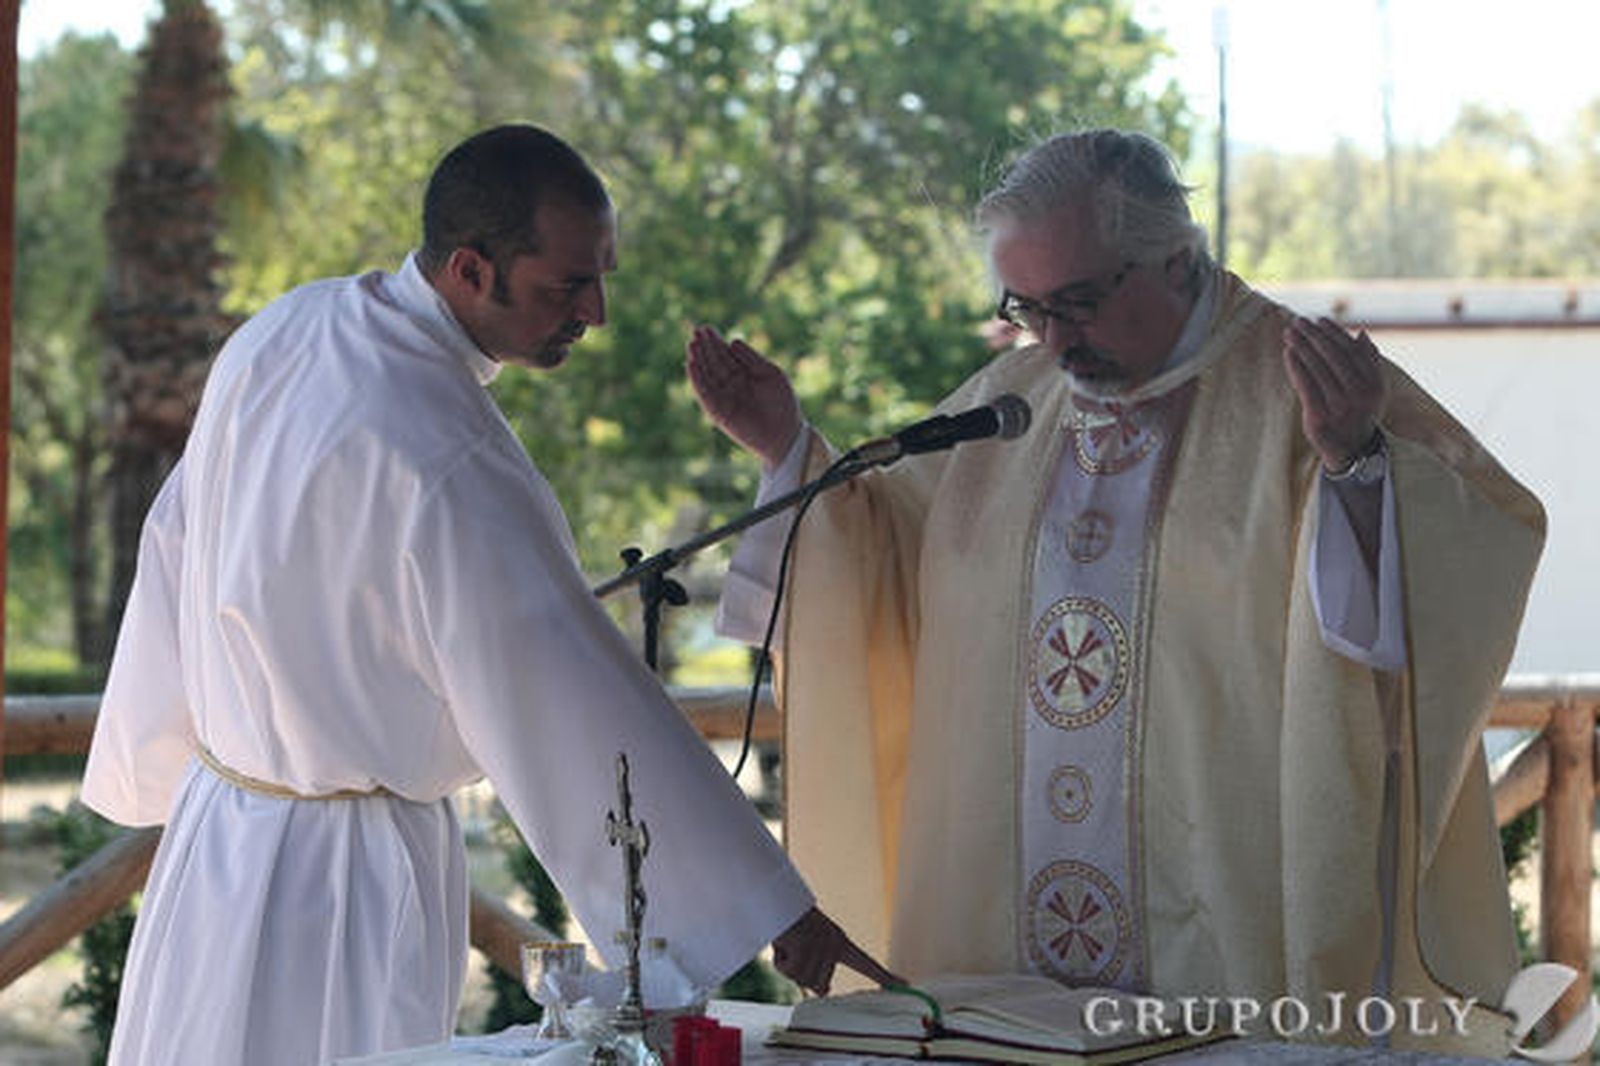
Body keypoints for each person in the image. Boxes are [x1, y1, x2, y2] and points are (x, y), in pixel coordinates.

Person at [687, 128, 1544, 1055]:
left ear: (1175, 260)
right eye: (1026, 307)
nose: (1053, 338)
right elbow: (885, 550)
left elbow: (1484, 538)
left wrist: (1359, 468)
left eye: (1078, 302)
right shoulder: (1011, 398)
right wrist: (789, 453)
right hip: (1005, 952)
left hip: (1227, 928)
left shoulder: (1302, 385)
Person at [82, 124, 886, 1066]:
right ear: (470, 269)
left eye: (601, 276)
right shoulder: (443, 446)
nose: (596, 311)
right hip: (339, 883)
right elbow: (565, 686)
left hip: (215, 836)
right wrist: (771, 909)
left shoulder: (284, 330)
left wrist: (164, 755)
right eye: (567, 286)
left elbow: (173, 548)